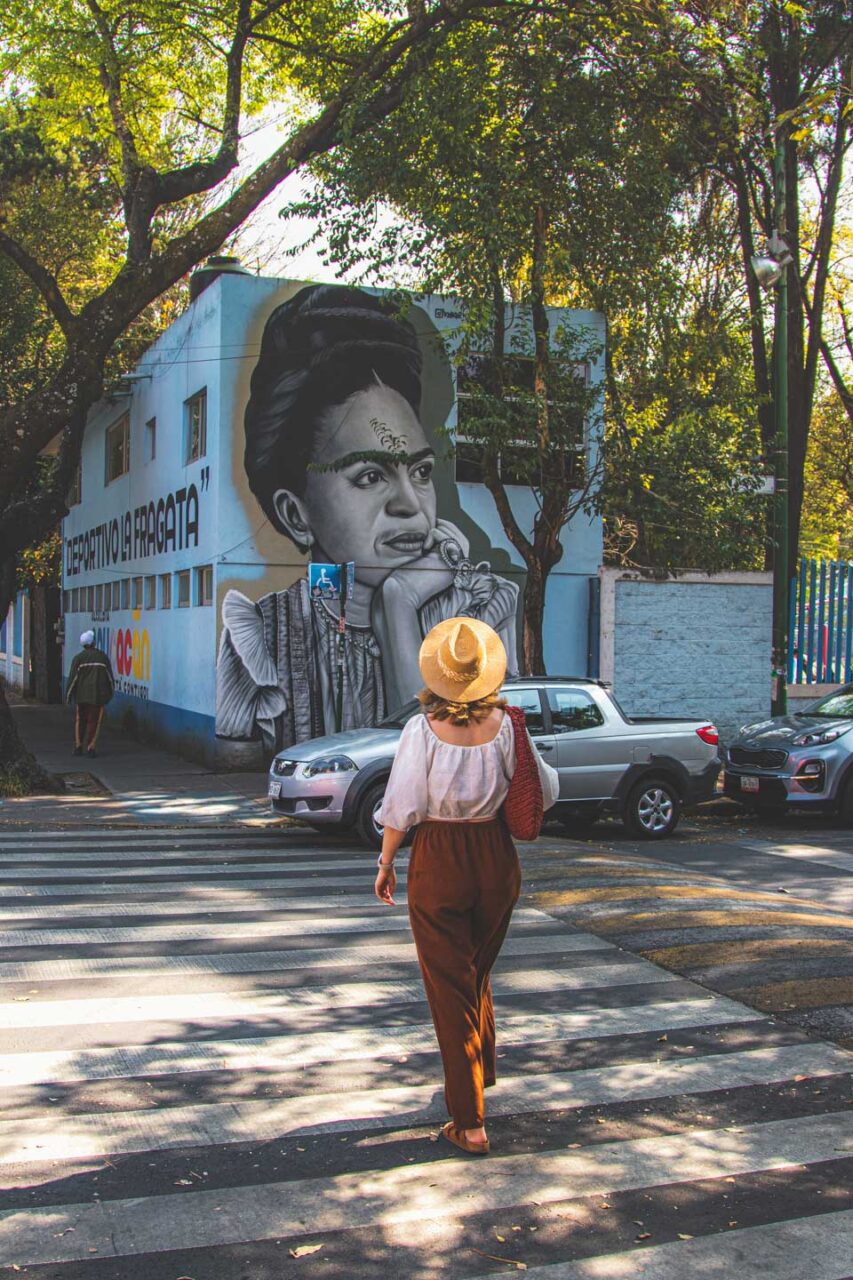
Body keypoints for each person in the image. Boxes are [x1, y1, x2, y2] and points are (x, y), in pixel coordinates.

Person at [215, 284, 519, 752]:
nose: (410, 505)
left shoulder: (478, 612)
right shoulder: (261, 638)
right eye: (370, 476)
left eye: (419, 471)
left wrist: (398, 606)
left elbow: (444, 762)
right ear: (296, 515)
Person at [374, 616, 559, 1155]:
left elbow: (402, 807)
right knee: (474, 973)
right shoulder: (508, 725)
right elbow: (543, 792)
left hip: (440, 858)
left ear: (437, 677)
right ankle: (482, 1076)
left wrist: (386, 863)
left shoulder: (420, 730)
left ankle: (469, 1119)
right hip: (495, 860)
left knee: (448, 987)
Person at [66, 630, 114, 757]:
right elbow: (109, 678)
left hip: (81, 696)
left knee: (80, 720)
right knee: (94, 721)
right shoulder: (102, 658)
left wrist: (69, 695)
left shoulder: (78, 659)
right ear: (93, 643)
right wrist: (110, 693)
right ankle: (90, 747)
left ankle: (78, 746)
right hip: (97, 696)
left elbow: (73, 678)